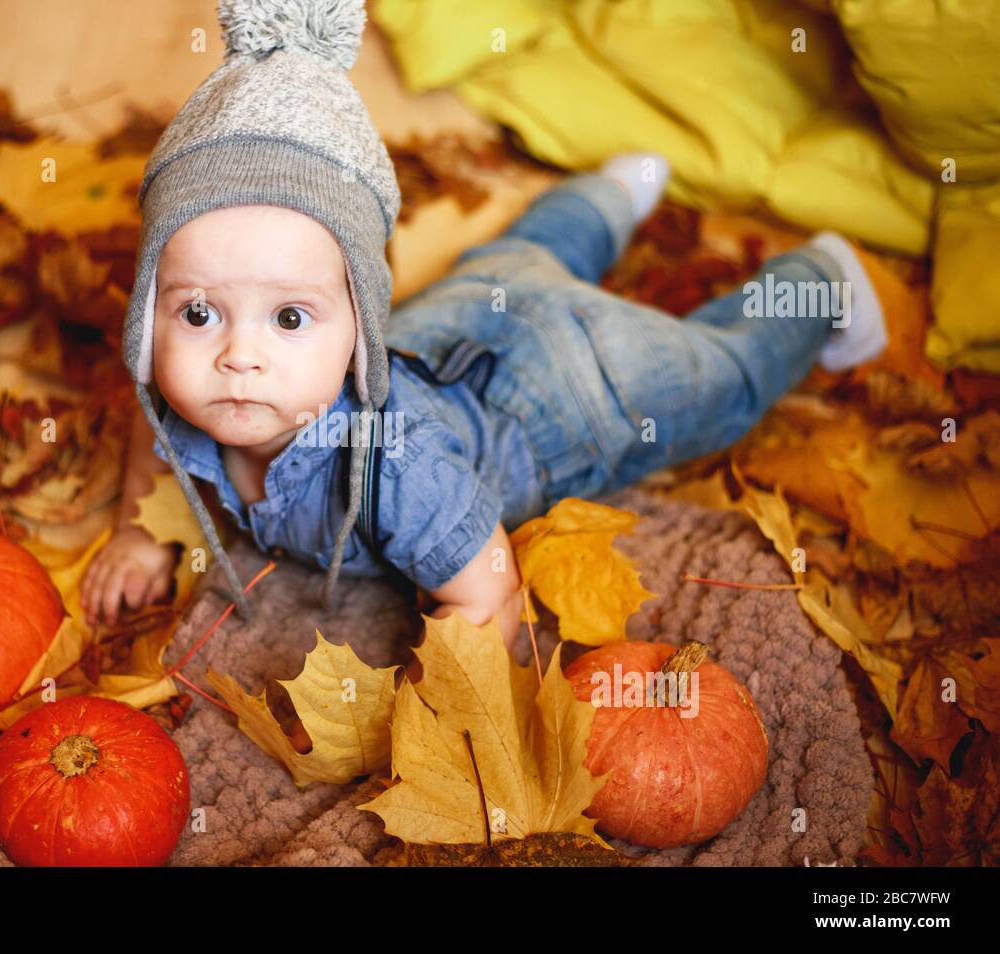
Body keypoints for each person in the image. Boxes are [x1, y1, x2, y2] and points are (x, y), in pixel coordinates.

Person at [81, 0, 887, 728]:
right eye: (196, 312)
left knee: (722, 380)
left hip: (574, 392)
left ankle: (819, 280)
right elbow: (146, 434)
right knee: (521, 254)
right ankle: (607, 195)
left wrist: (443, 703)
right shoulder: (176, 398)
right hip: (466, 316)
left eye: (290, 317)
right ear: (147, 311)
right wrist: (137, 534)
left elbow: (486, 585)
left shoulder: (400, 465)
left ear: (361, 326)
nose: (239, 356)